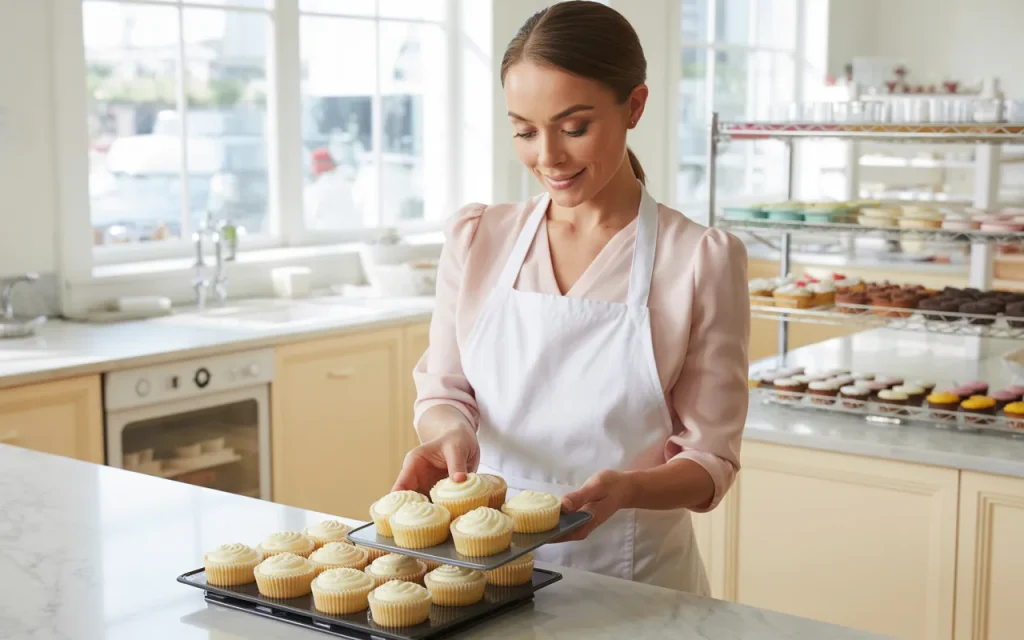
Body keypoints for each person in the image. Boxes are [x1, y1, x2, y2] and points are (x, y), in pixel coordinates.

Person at [392, 1, 749, 595]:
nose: (548, 157)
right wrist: (450, 431)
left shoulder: (699, 259)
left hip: (637, 585)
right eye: (525, 131)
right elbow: (444, 389)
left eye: (574, 127)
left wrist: (629, 490)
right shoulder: (479, 239)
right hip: (485, 574)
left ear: (634, 106)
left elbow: (711, 461)